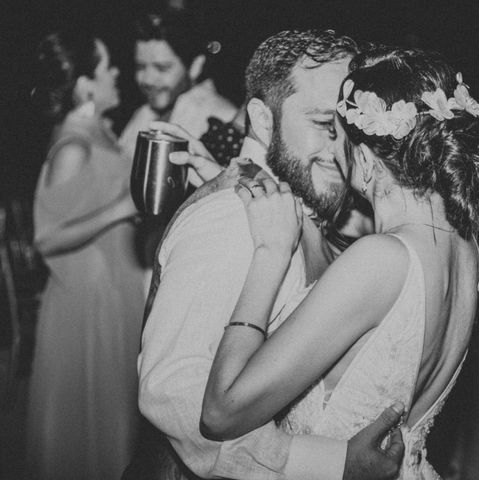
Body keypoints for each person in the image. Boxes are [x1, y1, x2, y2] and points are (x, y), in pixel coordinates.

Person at [198, 47, 479, 479]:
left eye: (335, 135)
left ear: (363, 157)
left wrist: (271, 253)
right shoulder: (466, 246)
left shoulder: (381, 260)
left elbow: (221, 413)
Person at [134, 30, 406, 480]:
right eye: (322, 123)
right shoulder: (230, 220)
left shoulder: (295, 199)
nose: (342, 151)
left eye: (349, 129)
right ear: (262, 120)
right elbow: (174, 394)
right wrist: (328, 463)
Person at [26, 30, 146, 479]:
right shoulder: (74, 145)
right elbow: (47, 237)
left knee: (113, 420)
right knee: (91, 429)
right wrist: (122, 208)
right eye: (107, 67)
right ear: (85, 85)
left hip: (112, 291)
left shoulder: (99, 130)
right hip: (87, 305)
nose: (117, 73)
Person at [118, 8, 238, 182]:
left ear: (195, 66)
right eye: (140, 67)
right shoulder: (144, 112)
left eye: (162, 68)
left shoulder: (222, 119)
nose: (148, 79)